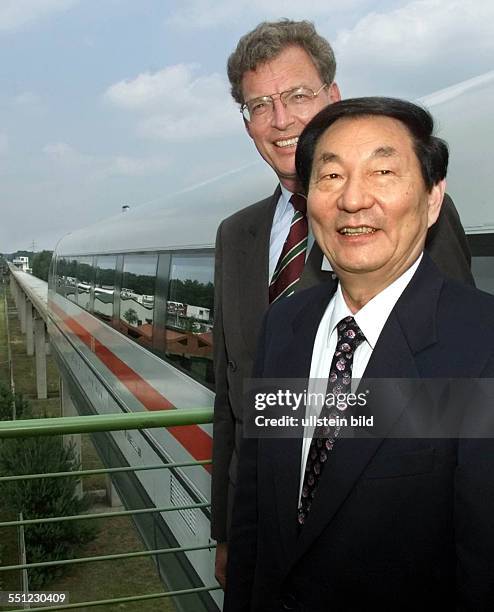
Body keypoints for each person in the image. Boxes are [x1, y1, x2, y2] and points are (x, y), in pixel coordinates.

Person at [211, 19, 474, 587]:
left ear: (334, 96)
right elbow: (233, 394)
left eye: (298, 95)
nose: (281, 120)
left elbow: (447, 378)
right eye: (260, 105)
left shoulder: (411, 219)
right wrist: (229, 527)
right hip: (265, 519)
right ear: (248, 123)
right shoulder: (236, 234)